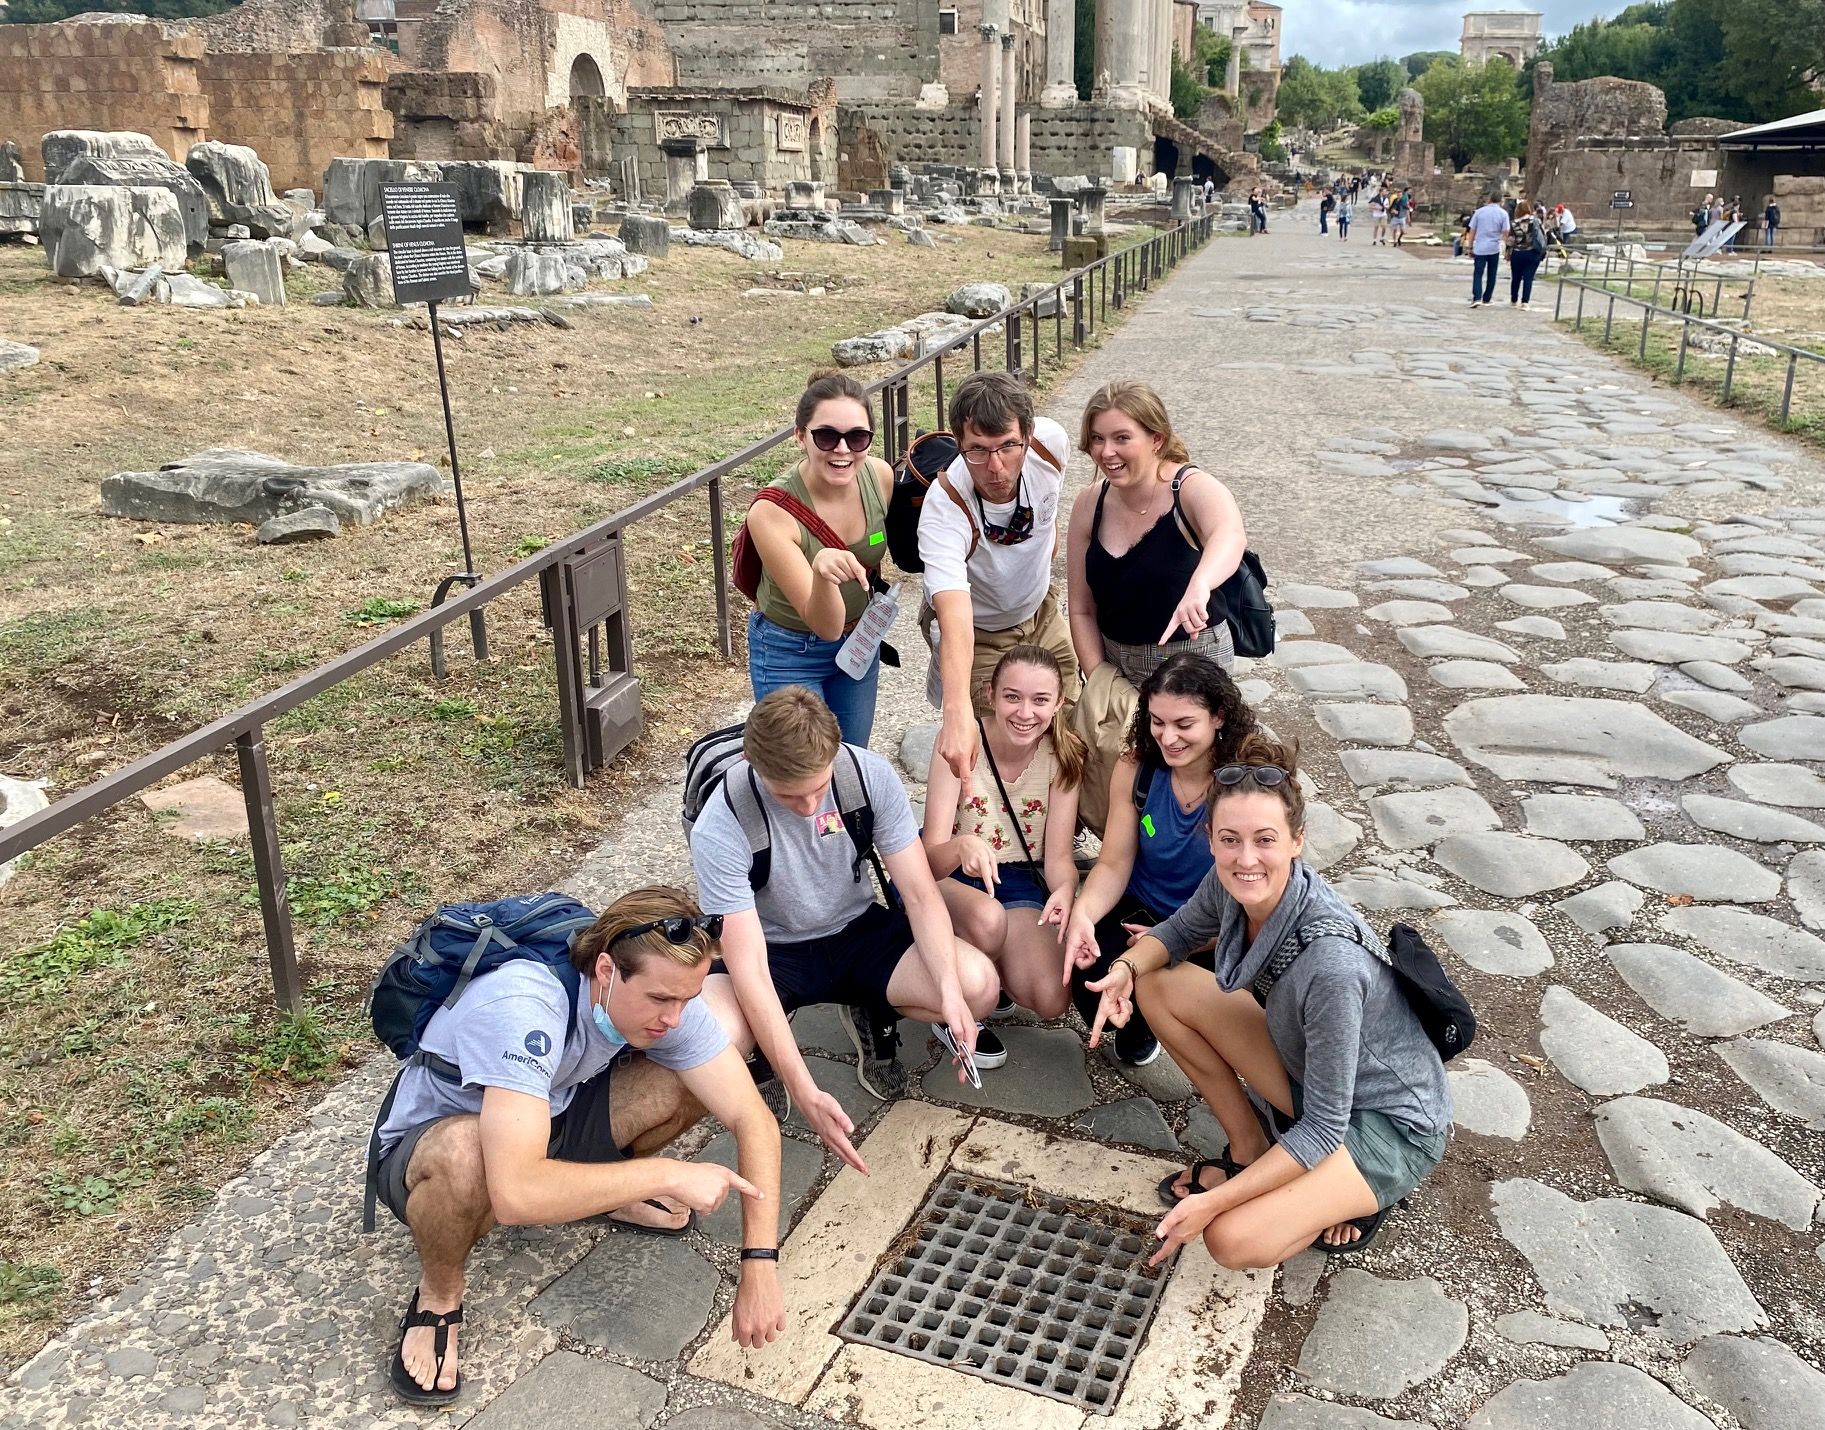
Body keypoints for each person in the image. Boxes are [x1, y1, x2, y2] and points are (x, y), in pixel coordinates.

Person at [373, 887, 784, 1405]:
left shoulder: (662, 992)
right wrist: (664, 1174)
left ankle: (600, 1191)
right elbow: (517, 1196)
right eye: (661, 999)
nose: (675, 1017)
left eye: (687, 998)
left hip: (550, 1114)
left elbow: (754, 1120)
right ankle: (438, 1298)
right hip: (434, 1149)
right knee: (468, 1152)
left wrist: (760, 1264)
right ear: (608, 971)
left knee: (690, 1077)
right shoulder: (524, 1005)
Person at [1082, 731, 1451, 1266]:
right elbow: (1178, 933)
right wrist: (1123, 968)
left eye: (1265, 840)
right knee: (1158, 983)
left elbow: (1327, 1124)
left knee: (1231, 1240)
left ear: (1297, 841)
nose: (1246, 858)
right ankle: (1251, 1151)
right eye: (1230, 839)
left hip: (1386, 1121)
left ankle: (1356, 1195)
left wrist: (1216, 1203)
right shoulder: (1228, 881)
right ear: (1210, 838)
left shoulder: (1330, 965)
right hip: (1313, 1070)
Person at [694, 687, 998, 1166]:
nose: (811, 806)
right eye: (790, 796)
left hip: (856, 929)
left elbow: (919, 894)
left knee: (977, 986)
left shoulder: (865, 774)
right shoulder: (722, 822)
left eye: (819, 787)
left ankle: (869, 1007)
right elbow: (748, 966)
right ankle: (765, 1060)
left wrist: (951, 995)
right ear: (757, 768)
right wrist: (807, 1088)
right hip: (773, 948)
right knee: (711, 1033)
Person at [1063, 655, 1257, 1067]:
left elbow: (1262, 899)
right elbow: (1113, 863)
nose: (1168, 738)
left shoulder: (1246, 784)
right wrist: (1083, 914)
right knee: (1089, 972)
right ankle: (1137, 1029)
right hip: (1140, 906)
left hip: (1215, 928)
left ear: (1219, 717)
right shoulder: (1137, 767)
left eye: (1184, 724)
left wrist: (1170, 942)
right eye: (1157, 722)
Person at [920, 369, 1076, 783]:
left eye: (1008, 446)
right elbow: (953, 616)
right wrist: (956, 713)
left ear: (1028, 433)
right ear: (959, 444)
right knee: (998, 745)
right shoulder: (944, 507)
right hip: (980, 629)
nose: (995, 466)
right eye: (977, 450)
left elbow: (1050, 512)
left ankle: (1060, 835)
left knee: (1069, 726)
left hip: (1040, 612)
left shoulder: (1050, 444)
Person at [922, 645, 1084, 1027]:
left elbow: (1059, 857)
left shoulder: (1063, 755)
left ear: (1059, 703)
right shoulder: (960, 742)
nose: (1025, 713)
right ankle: (955, 1006)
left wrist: (1065, 891)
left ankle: (986, 975)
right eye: (1012, 697)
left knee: (1050, 998)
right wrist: (962, 845)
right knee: (989, 920)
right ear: (991, 695)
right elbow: (927, 858)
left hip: (1015, 878)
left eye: (1040, 700)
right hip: (948, 876)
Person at [745, 371, 895, 747]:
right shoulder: (772, 513)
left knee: (851, 762)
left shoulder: (879, 476)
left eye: (857, 437)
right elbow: (824, 625)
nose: (843, 449)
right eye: (826, 436)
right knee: (802, 772)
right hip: (791, 650)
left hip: (859, 642)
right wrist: (822, 572)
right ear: (800, 436)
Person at [1067, 380, 1247, 687]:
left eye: (1122, 438)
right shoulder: (1089, 503)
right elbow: (1081, 608)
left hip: (1190, 660)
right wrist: (1099, 679)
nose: (1106, 452)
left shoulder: (1191, 488)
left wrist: (1200, 585)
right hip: (1112, 664)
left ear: (1157, 439)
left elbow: (1229, 535)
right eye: (1097, 438)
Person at [1467, 193, 1511, 307]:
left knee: (1478, 273)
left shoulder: (1479, 212)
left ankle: (1477, 296)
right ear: (1501, 201)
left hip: (1480, 246)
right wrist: (1503, 242)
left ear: (1490, 200)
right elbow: (1506, 231)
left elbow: (1472, 231)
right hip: (1494, 247)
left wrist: (1470, 246)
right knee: (1492, 273)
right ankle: (1487, 297)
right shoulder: (1503, 214)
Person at [1507, 203, 1546, 310]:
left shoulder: (1514, 223)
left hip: (1518, 253)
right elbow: (1543, 235)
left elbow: (1510, 240)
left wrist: (1508, 252)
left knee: (1516, 277)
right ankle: (1525, 302)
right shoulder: (1536, 221)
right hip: (1532, 252)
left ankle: (1514, 299)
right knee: (1528, 278)